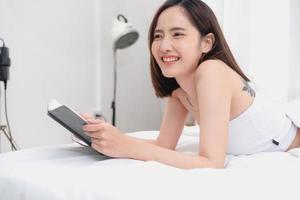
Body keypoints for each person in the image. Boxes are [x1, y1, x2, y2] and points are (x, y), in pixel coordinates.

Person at [82, 0, 300, 169]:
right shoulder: (179, 90)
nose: (164, 45)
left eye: (177, 34)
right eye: (158, 36)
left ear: (206, 43)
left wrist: (128, 146)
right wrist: (109, 137)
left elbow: (211, 163)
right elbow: (163, 146)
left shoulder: (212, 70)